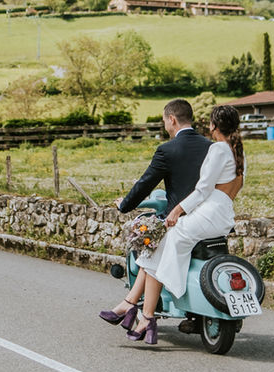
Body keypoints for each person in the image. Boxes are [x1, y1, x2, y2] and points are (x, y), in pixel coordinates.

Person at [104, 105, 245, 345]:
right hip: (224, 213)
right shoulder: (236, 150)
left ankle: (144, 313)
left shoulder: (217, 149)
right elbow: (234, 185)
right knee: (163, 245)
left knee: (157, 244)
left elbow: (202, 189)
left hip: (207, 214)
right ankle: (136, 308)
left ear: (213, 125)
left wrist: (178, 210)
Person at [97, 99, 211, 331]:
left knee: (151, 248)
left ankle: (138, 309)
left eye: (164, 121)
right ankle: (133, 305)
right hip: (210, 217)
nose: (165, 126)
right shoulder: (210, 146)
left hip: (179, 219)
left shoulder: (167, 150)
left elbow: (145, 183)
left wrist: (124, 205)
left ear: (172, 119)